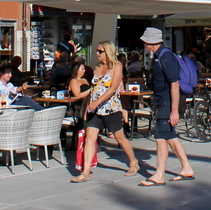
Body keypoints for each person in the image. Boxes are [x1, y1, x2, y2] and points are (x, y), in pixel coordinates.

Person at [71, 40, 139, 182]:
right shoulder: (97, 67)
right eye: (97, 50)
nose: (97, 53)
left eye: (100, 51)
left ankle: (133, 162)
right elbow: (94, 88)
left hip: (110, 108)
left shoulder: (117, 66)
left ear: (107, 51)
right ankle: (86, 172)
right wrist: (89, 106)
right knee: (90, 137)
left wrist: (97, 102)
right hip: (94, 110)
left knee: (119, 137)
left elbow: (113, 88)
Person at [138, 27, 195, 186]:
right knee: (167, 137)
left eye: (145, 41)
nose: (143, 43)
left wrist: (174, 111)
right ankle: (185, 168)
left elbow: (174, 84)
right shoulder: (159, 56)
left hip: (166, 103)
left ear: (151, 42)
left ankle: (159, 175)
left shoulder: (165, 57)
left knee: (162, 138)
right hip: (162, 102)